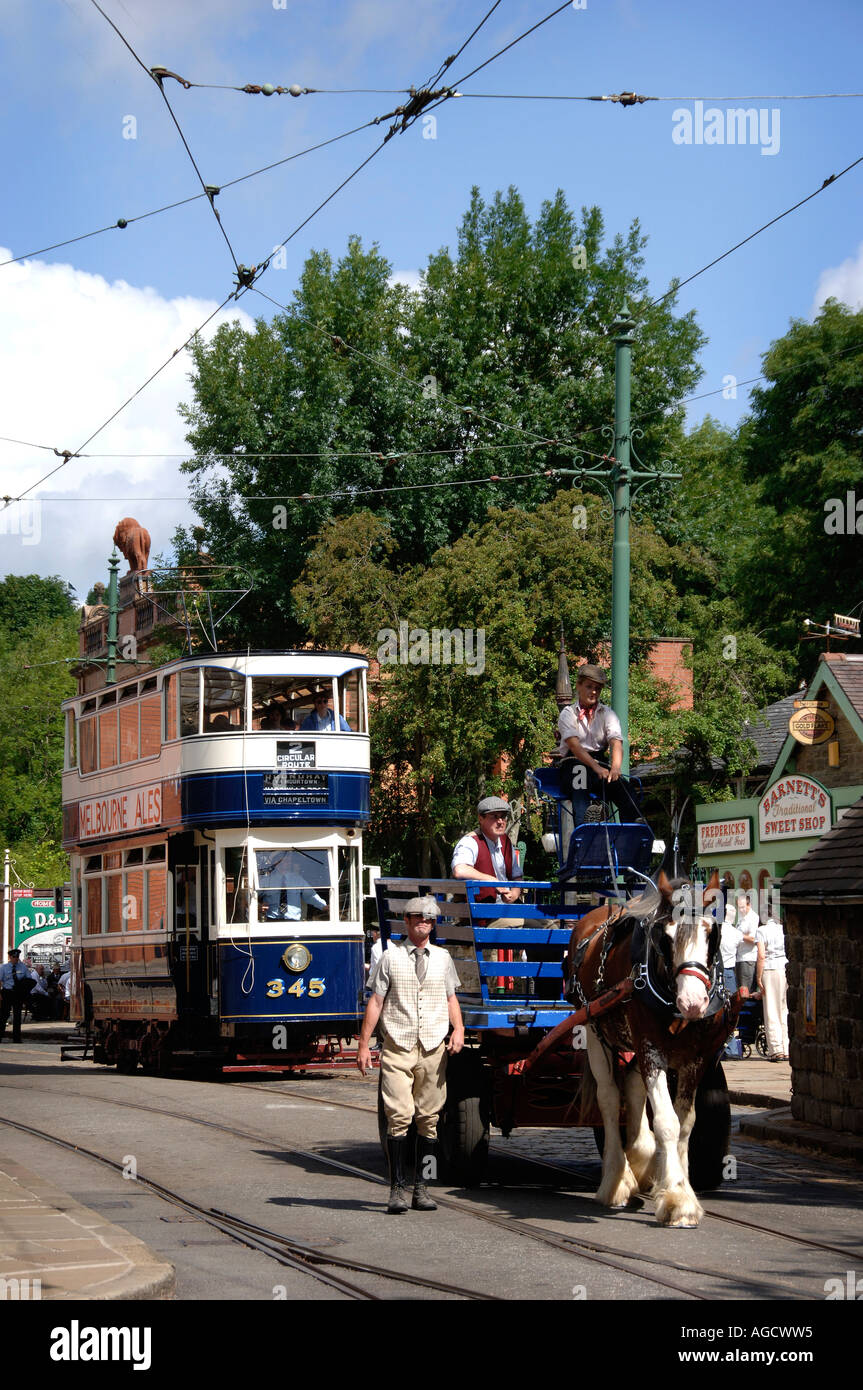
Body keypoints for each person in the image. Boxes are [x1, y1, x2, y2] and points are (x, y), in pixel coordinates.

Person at [357, 897, 464, 1215]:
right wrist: (363, 1044)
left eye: (429, 919)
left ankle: (421, 1188)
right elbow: (376, 1002)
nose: (423, 922)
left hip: (432, 1047)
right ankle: (396, 1189)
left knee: (429, 1119)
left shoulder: (444, 959)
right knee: (399, 1115)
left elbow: (450, 998)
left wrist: (457, 1029)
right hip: (398, 1046)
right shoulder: (390, 958)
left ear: (434, 924)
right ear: (406, 921)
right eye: (417, 917)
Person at [555, 664, 644, 826]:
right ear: (579, 686)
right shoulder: (568, 714)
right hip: (574, 762)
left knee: (622, 786)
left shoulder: (607, 714)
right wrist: (596, 768)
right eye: (589, 686)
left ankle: (633, 825)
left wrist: (616, 768)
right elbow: (574, 746)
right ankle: (584, 827)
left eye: (597, 688)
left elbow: (616, 742)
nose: (594, 692)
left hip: (599, 764)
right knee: (580, 777)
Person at [451, 797, 523, 904]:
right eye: (494, 817)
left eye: (503, 817)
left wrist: (514, 893)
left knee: (545, 920)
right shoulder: (470, 842)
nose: (500, 821)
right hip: (483, 913)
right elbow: (460, 870)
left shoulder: (505, 841)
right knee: (531, 921)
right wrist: (491, 880)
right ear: (481, 819)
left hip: (507, 908)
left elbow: (517, 876)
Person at [756, 912, 789, 1061]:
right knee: (784, 1009)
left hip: (769, 969)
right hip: (785, 968)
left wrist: (758, 977)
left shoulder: (761, 931)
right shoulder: (782, 929)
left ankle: (776, 1049)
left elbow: (761, 955)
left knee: (771, 1010)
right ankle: (787, 1047)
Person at [0, 948, 32, 1044]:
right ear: (10, 957)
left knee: (17, 1016)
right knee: (4, 1015)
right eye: (14, 957)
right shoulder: (3, 968)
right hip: (7, 992)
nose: (16, 959)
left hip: (18, 994)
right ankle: (0, 1036)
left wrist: (25, 991)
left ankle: (16, 1038)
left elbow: (29, 979)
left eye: (17, 957)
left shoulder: (22, 967)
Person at [734, 893, 760, 992]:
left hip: (748, 958)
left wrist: (740, 935)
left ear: (749, 905)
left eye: (743, 907)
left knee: (746, 991)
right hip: (739, 957)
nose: (740, 910)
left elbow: (753, 939)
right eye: (739, 907)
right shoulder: (741, 918)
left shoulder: (753, 918)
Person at [719, 903, 741, 997]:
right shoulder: (737, 933)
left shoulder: (716, 930)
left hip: (716, 970)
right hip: (729, 972)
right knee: (731, 1002)